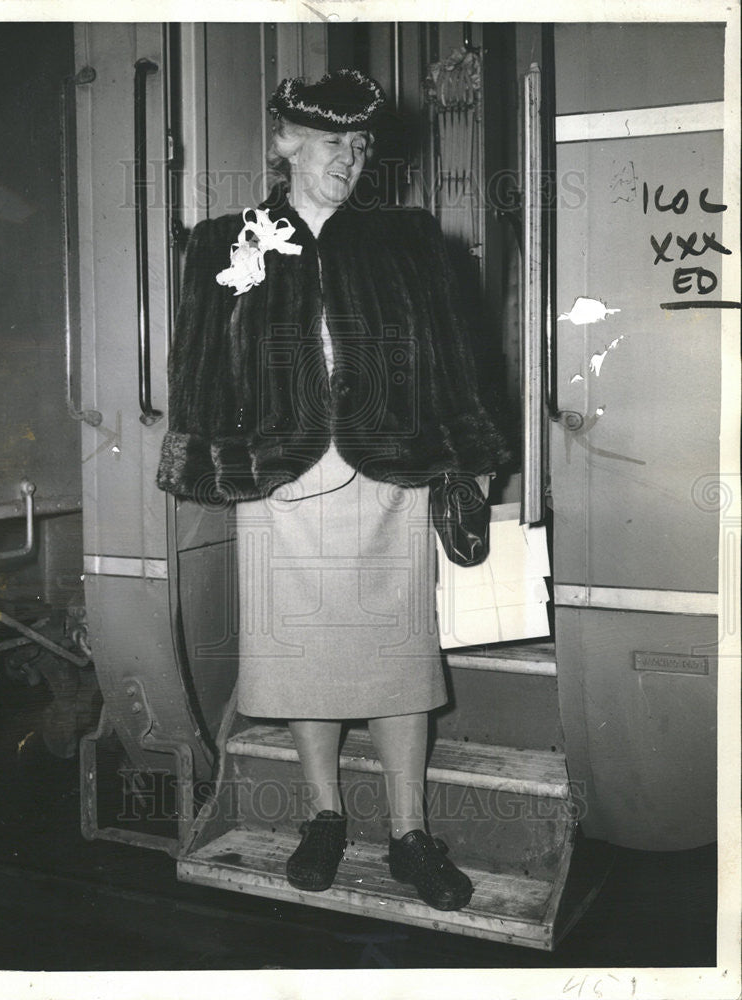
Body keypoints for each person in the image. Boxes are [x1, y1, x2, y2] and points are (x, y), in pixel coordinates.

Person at [156, 69, 509, 911]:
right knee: (300, 662)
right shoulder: (220, 242)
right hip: (278, 475)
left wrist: (469, 452)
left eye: (358, 147)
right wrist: (207, 456)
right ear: (284, 145)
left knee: (395, 660)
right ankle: (323, 816)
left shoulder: (410, 238)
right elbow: (198, 363)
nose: (348, 161)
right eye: (329, 145)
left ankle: (410, 832)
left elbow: (459, 357)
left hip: (387, 472)